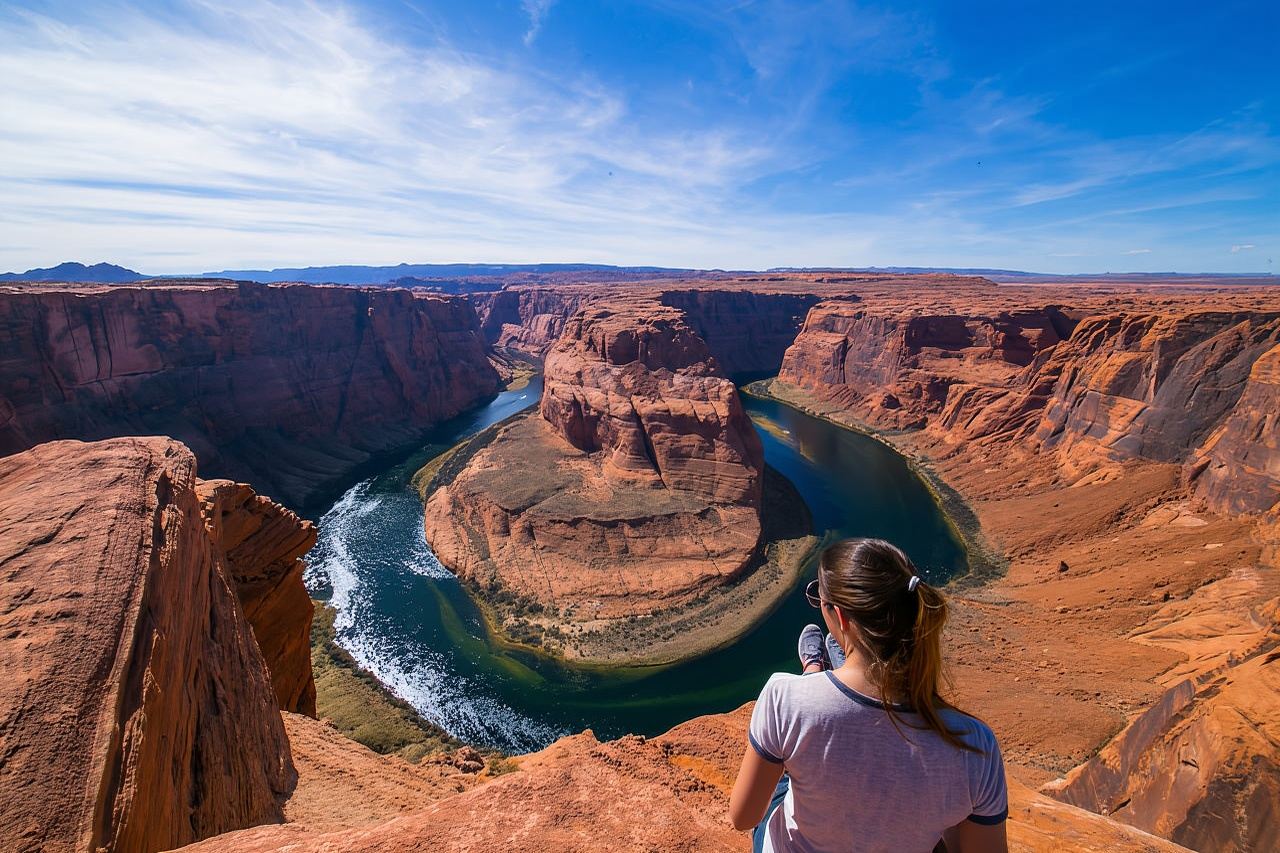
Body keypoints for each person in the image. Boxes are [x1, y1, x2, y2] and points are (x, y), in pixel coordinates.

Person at [728, 538, 1009, 853]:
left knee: (784, 773)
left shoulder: (784, 697)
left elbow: (743, 817)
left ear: (842, 617)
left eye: (818, 600)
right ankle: (838, 663)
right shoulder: (976, 746)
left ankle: (814, 671)